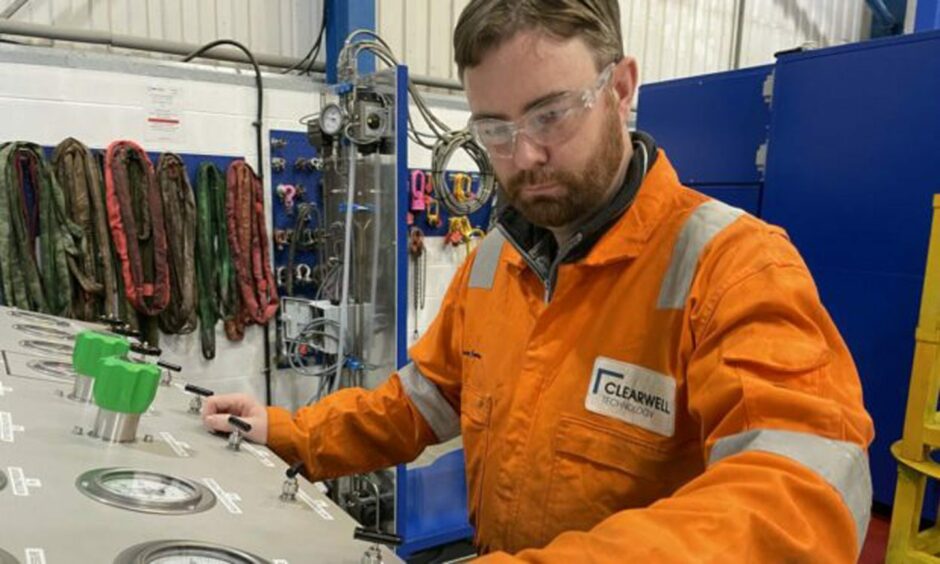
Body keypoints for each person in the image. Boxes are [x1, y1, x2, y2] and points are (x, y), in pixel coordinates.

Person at [203, 1, 874, 561]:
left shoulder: (733, 268)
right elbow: (416, 403)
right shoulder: (498, 261)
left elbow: (800, 501)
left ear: (621, 87)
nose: (523, 155)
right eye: (494, 129)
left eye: (551, 114)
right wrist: (286, 430)